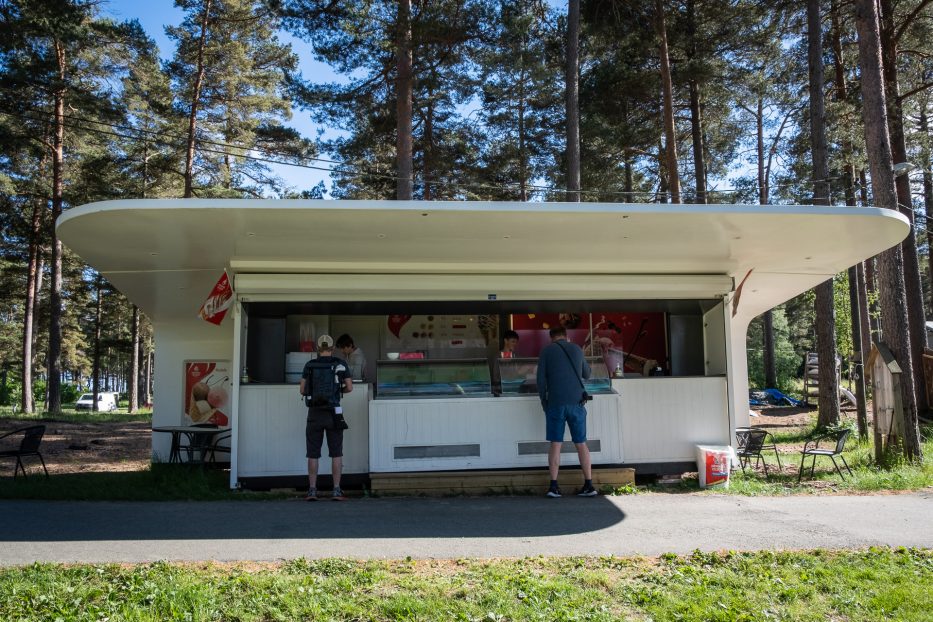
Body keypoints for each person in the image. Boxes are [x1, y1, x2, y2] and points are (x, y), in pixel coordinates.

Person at [536, 326, 597, 498]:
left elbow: (540, 381)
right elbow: (587, 374)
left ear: (551, 338)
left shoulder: (547, 351)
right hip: (577, 403)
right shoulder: (576, 348)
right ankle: (589, 485)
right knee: (581, 443)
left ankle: (554, 487)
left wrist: (544, 403)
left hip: (555, 403)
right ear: (566, 336)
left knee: (556, 444)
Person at [300, 334, 353, 501]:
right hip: (334, 413)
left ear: (318, 348)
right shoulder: (340, 364)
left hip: (314, 413)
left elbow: (302, 390)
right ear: (332, 348)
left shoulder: (309, 365)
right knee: (336, 452)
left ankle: (312, 490)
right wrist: (338, 392)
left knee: (313, 453)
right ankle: (336, 490)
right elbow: (350, 387)